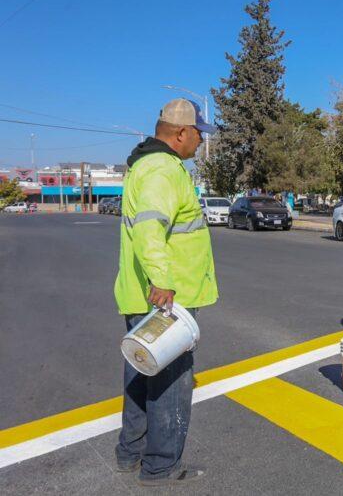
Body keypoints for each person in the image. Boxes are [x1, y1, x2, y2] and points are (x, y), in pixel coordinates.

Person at [113, 98, 218, 486]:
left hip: (143, 296)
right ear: (180, 133)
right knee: (171, 383)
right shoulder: (162, 170)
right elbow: (150, 228)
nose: (200, 143)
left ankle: (131, 452)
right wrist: (161, 280)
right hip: (166, 299)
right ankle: (160, 465)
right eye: (198, 135)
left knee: (141, 371)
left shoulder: (145, 164)